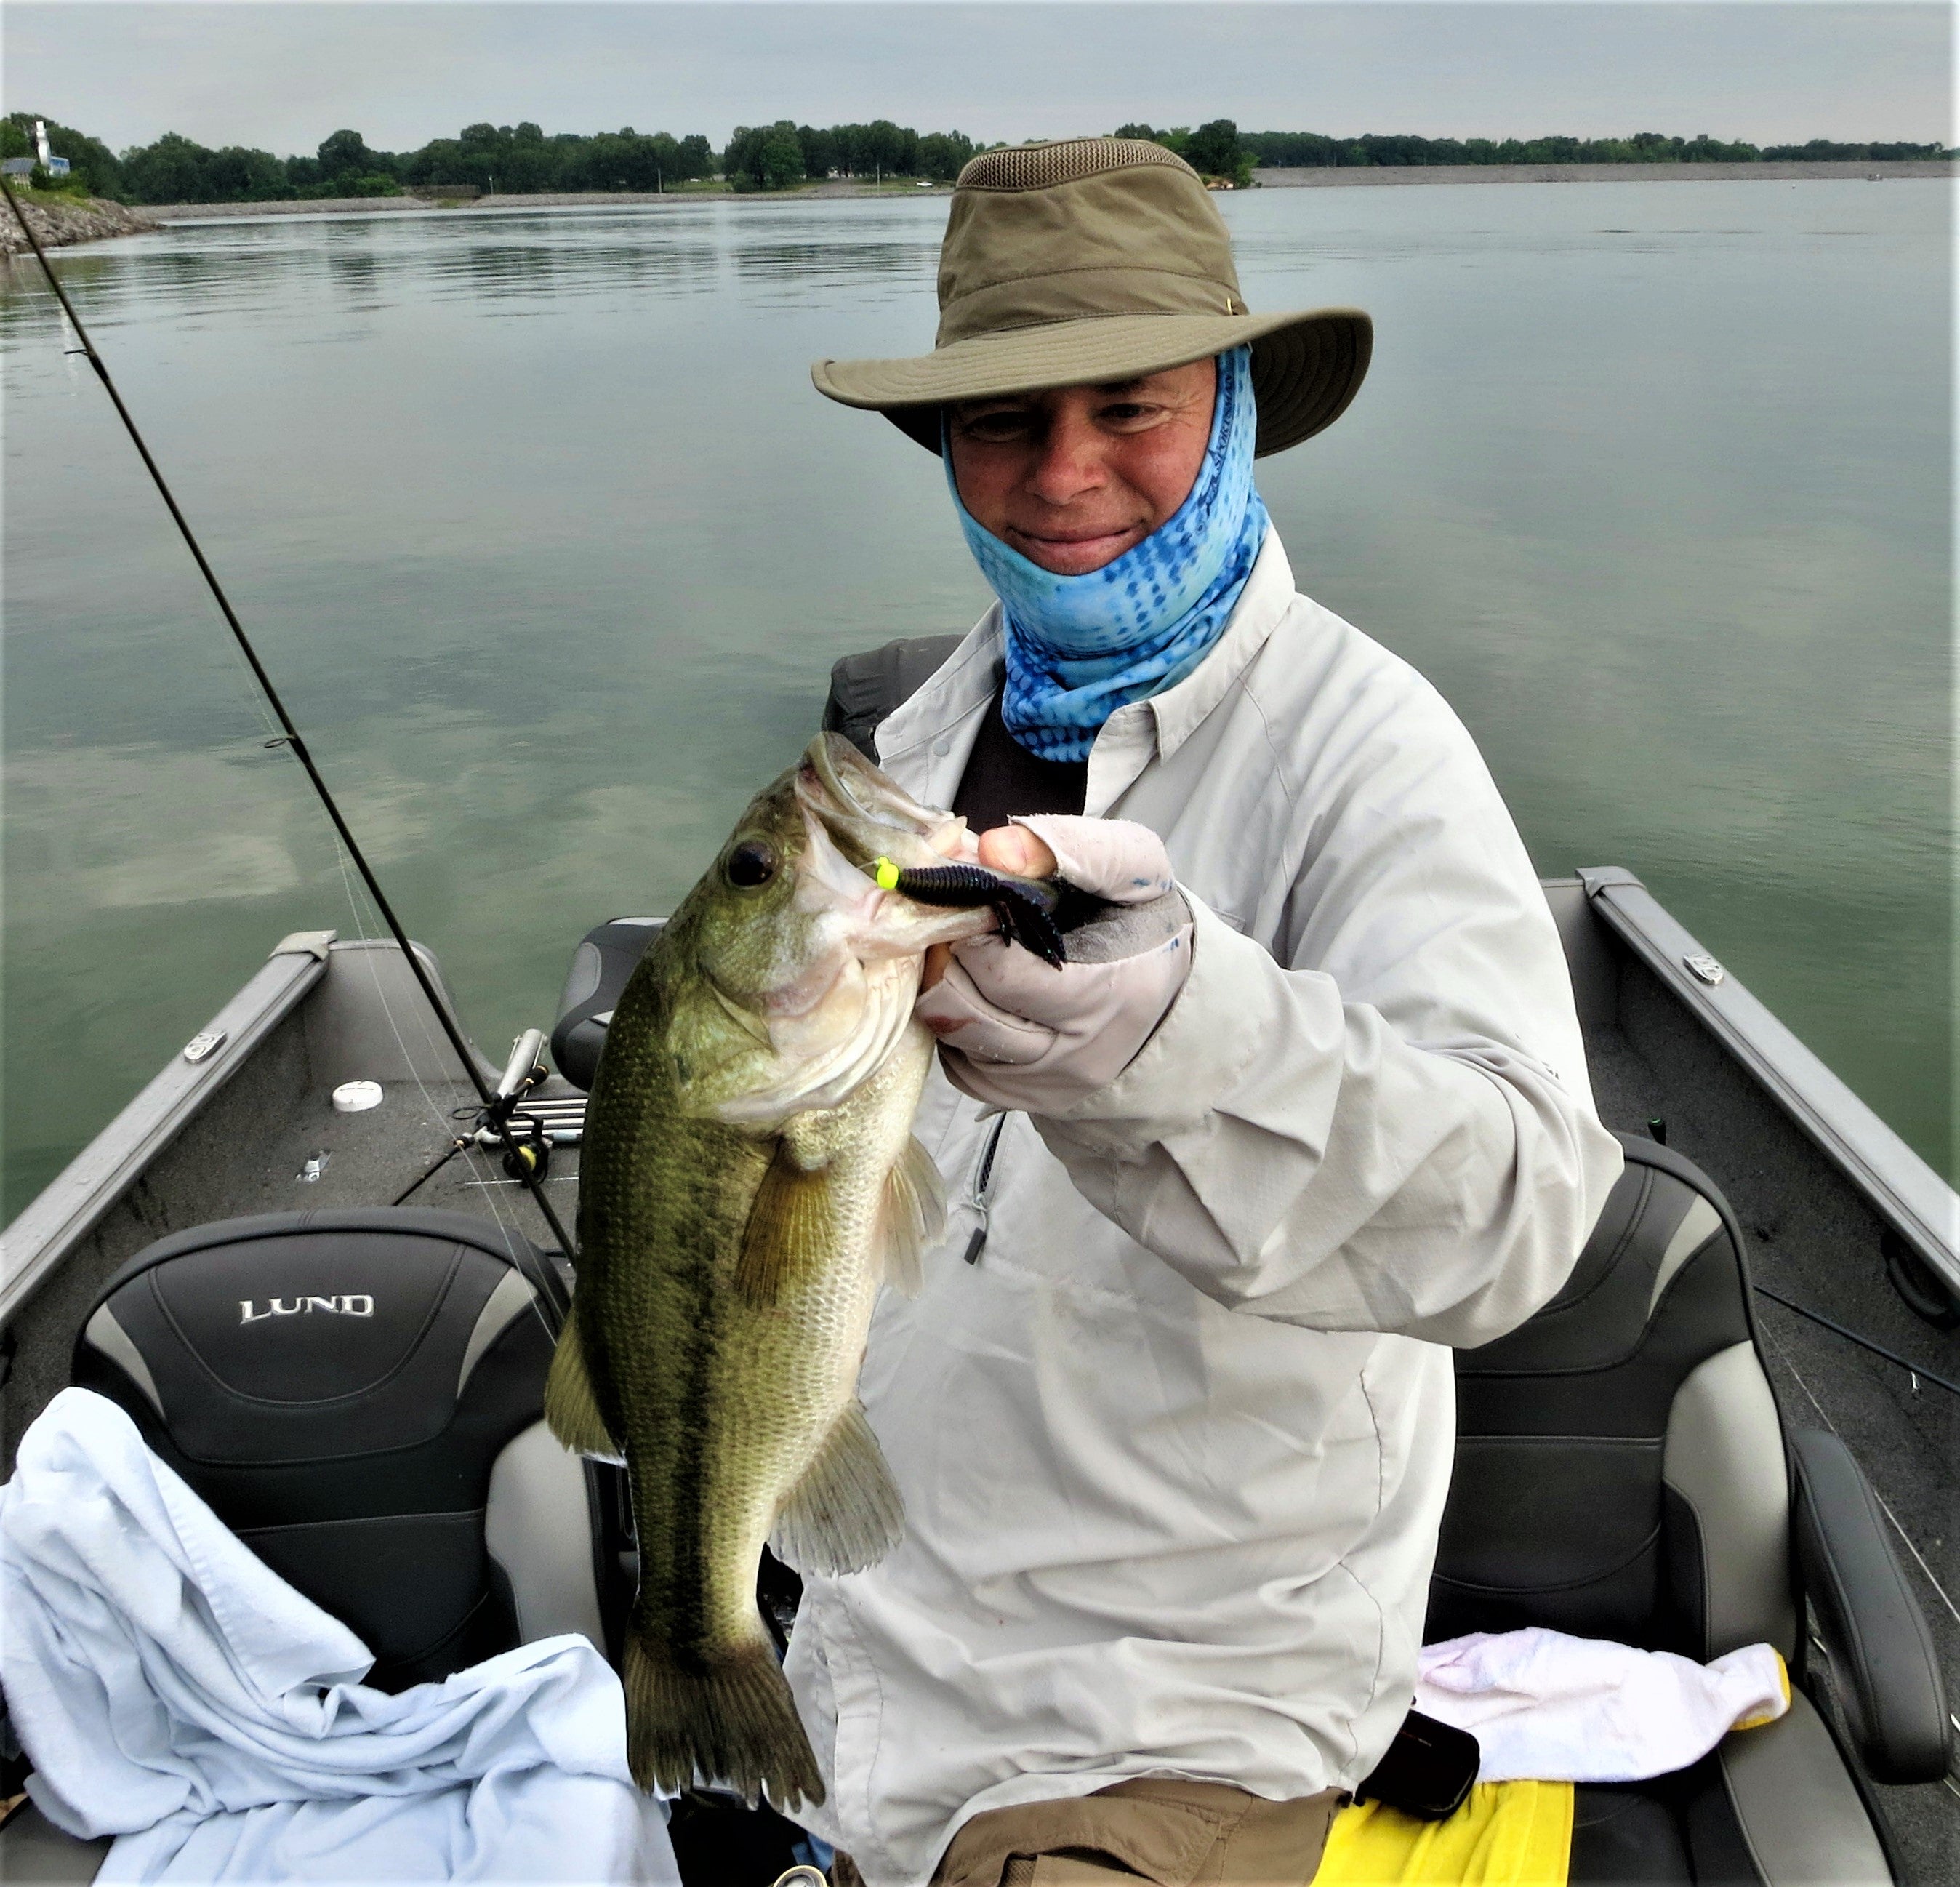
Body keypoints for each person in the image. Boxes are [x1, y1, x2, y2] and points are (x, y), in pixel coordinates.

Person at [788, 136, 1626, 1887]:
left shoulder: (1367, 747)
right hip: (864, 1664)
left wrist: (1182, 1032)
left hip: (1174, 1712)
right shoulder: (909, 756)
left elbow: (1519, 1208)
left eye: (1129, 407)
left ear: (1229, 404)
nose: (1063, 474)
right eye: (1004, 422)